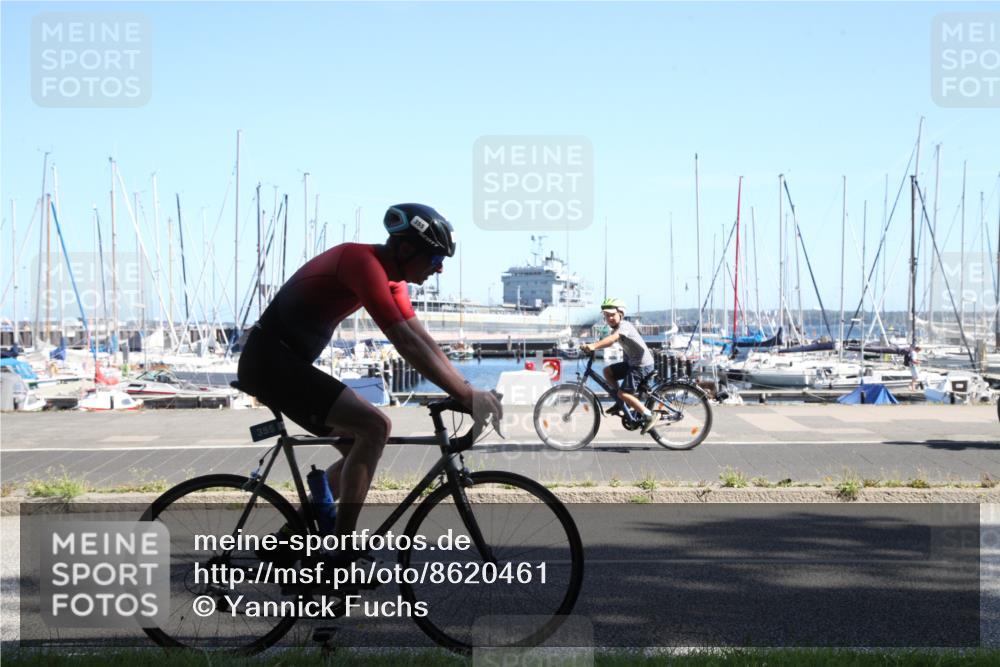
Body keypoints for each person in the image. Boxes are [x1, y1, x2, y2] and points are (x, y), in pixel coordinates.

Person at [237, 203, 503, 564]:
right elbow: (404, 343)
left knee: (357, 452)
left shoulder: (394, 280)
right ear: (407, 249)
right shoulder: (361, 263)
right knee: (376, 427)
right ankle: (340, 554)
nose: (439, 267)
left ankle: (291, 537)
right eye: (436, 256)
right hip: (270, 360)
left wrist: (468, 390)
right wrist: (467, 396)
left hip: (285, 362)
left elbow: (422, 340)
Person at [580, 298, 659, 434]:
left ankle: (649, 415)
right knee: (607, 372)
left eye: (612, 314)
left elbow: (612, 339)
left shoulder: (625, 325)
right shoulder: (615, 329)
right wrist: (592, 347)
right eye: (606, 315)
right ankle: (621, 401)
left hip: (642, 365)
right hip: (633, 364)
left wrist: (593, 346)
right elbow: (608, 342)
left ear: (620, 314)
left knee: (624, 393)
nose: (609, 318)